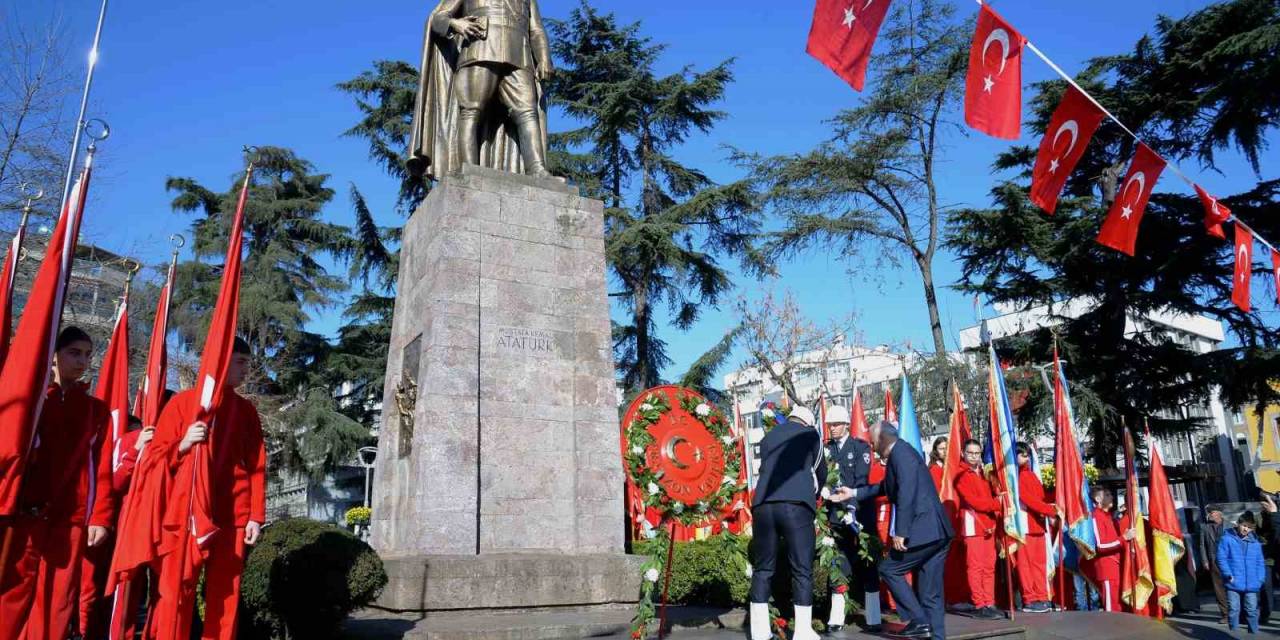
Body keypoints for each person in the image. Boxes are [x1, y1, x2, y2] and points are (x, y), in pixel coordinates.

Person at [147, 337, 266, 640]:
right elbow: (154, 460)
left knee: (225, 597)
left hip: (232, 515)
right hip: (187, 512)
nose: (245, 370)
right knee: (176, 590)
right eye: (240, 362)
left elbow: (256, 466)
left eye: (247, 363)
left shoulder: (246, 410)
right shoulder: (182, 404)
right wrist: (183, 444)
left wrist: (255, 515)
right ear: (221, 361)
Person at [0, 326, 114, 640]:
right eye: (74, 353)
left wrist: (100, 517)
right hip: (24, 514)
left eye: (88, 355)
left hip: (70, 519)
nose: (83, 361)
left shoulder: (96, 410)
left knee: (57, 604)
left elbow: (100, 468)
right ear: (53, 355)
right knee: (11, 598)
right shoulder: (33, 399)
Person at [749, 406, 849, 640]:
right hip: (796, 504)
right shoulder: (811, 434)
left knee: (763, 569)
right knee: (801, 569)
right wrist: (817, 492)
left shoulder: (768, 437)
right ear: (808, 422)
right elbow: (819, 470)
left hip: (763, 504)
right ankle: (803, 631)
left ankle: (759, 632)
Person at [851, 423, 954, 640]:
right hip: (935, 532)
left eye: (872, 441)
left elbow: (907, 492)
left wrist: (901, 531)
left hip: (924, 530)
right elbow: (887, 487)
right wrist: (852, 492)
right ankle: (935, 636)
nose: (871, 446)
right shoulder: (901, 453)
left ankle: (919, 620)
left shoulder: (902, 454)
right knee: (930, 595)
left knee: (890, 570)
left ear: (883, 439)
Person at [822, 404, 881, 632]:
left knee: (868, 563)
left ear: (846, 424)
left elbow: (861, 479)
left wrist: (852, 508)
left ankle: (874, 617)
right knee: (838, 563)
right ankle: (836, 618)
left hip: (860, 514)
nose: (832, 429)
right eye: (830, 425)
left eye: (836, 424)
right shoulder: (827, 449)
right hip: (836, 517)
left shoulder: (860, 448)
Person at [954, 438, 1002, 619]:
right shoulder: (961, 474)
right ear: (963, 454)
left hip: (988, 525)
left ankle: (989, 602)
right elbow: (975, 502)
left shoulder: (984, 473)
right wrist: (997, 504)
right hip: (973, 525)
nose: (974, 456)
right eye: (970, 453)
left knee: (989, 566)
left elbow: (992, 493)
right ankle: (979, 604)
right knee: (975, 567)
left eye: (977, 453)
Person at [1013, 442, 1058, 613]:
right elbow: (1028, 499)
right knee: (1026, 565)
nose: (1026, 457)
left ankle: (1041, 596)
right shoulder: (1016, 477)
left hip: (1038, 525)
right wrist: (1050, 510)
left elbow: (1041, 497)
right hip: (1025, 525)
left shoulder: (1031, 475)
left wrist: (1054, 503)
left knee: (1039, 564)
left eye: (1027, 454)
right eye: (1022, 454)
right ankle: (1030, 599)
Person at [1216, 511, 1265, 634]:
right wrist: (1228, 574)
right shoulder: (1226, 539)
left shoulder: (1256, 543)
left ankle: (1253, 632)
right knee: (1233, 608)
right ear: (1238, 523)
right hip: (1233, 581)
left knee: (1251, 609)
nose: (1245, 529)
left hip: (1252, 582)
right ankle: (1233, 633)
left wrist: (1260, 579)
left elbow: (1260, 562)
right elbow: (1221, 558)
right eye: (1244, 525)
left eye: (1249, 527)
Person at [1082, 487, 1123, 612]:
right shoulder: (1096, 517)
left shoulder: (1109, 517)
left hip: (1115, 567)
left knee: (1118, 605)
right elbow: (1100, 546)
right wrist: (1123, 539)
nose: (1111, 497)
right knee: (1111, 609)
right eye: (1107, 494)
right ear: (1098, 499)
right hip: (1106, 568)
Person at [1199, 504, 1229, 623]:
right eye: (1209, 512)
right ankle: (1225, 614)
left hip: (1229, 561)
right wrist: (1205, 561)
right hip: (1214, 561)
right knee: (1219, 589)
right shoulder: (1204, 527)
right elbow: (1202, 545)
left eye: (1211, 512)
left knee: (1232, 587)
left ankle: (1238, 612)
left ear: (1219, 514)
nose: (1209, 515)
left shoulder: (1230, 526)